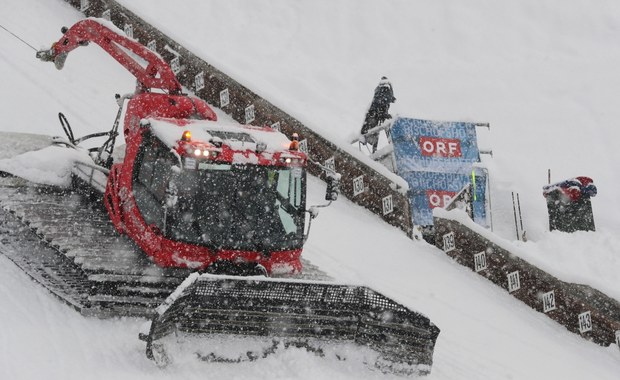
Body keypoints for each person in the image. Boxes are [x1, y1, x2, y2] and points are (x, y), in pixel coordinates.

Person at [360, 76, 396, 153]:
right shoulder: (385, 87)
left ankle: (373, 149)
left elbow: (380, 102)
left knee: (376, 130)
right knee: (377, 129)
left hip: (374, 115)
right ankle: (374, 150)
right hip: (376, 114)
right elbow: (381, 102)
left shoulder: (381, 88)